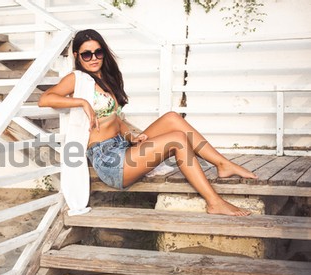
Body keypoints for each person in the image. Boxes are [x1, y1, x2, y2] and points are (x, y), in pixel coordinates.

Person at [38, 29, 258, 216]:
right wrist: (81, 103)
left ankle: (222, 164)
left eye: (98, 52)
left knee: (172, 118)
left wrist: (131, 136)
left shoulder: (106, 79)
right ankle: (214, 202)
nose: (94, 58)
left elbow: (115, 120)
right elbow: (45, 99)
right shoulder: (77, 79)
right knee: (178, 140)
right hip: (109, 161)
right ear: (77, 56)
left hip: (122, 146)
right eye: (87, 54)